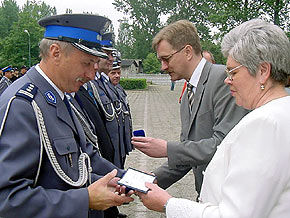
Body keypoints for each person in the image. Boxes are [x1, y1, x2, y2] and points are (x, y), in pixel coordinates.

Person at [137, 18, 290, 218]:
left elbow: (235, 214)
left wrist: (168, 204)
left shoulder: (265, 123)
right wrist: (152, 179)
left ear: (262, 71)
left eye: (233, 72)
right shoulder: (278, 112)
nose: (228, 80)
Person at [0, 14, 134, 218]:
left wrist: (129, 178)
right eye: (87, 63)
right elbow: (8, 201)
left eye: (95, 64)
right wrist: (85, 199)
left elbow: (87, 157)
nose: (91, 75)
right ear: (55, 53)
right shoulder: (23, 105)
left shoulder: (60, 96)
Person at [132, 20, 248, 196]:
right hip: (206, 194)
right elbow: (188, 154)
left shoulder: (223, 80)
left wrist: (167, 149)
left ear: (187, 52)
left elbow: (224, 144)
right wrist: (151, 180)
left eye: (166, 59)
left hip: (230, 197)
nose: (163, 67)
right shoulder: (188, 91)